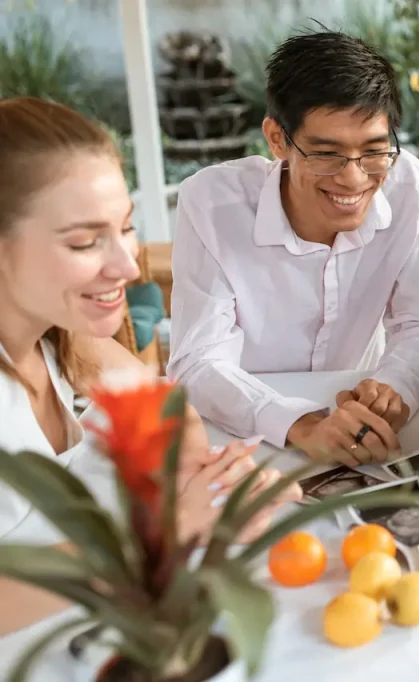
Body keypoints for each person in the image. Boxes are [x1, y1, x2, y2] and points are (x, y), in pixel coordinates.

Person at [0, 98, 301, 634]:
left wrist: (207, 485)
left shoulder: (60, 341)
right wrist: (163, 528)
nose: (125, 265)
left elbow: (166, 408)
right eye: (85, 241)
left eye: (126, 228)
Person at [167, 29, 419, 467]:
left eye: (374, 151)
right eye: (326, 154)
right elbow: (198, 361)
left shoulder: (408, 185)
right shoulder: (210, 203)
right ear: (277, 139)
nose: (354, 180)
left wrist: (394, 388)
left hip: (359, 418)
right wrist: (301, 424)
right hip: (246, 429)